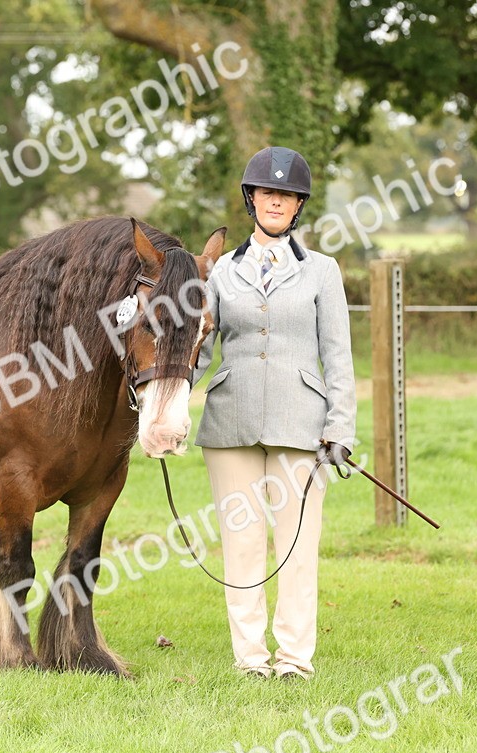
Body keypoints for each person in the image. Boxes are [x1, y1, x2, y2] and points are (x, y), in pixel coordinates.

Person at [193, 145, 357, 680]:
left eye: (286, 195)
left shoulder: (322, 272)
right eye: (267, 192)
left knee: (297, 545)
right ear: (252, 199)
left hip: (300, 423)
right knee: (240, 547)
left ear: (298, 205)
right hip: (230, 421)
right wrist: (162, 401)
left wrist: (340, 428)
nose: (276, 201)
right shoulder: (219, 274)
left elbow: (338, 357)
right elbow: (196, 353)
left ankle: (294, 658)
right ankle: (250, 658)